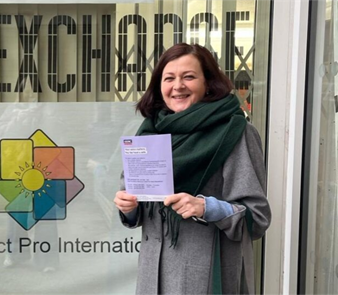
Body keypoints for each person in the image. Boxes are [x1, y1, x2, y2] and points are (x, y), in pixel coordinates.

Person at [113, 43, 271, 295]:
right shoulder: (150, 132)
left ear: (208, 83)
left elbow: (258, 218)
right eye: (169, 78)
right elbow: (139, 209)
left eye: (189, 77)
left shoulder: (235, 132)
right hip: (152, 278)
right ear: (159, 86)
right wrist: (129, 208)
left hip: (207, 276)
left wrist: (207, 207)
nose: (178, 86)